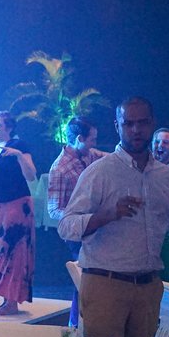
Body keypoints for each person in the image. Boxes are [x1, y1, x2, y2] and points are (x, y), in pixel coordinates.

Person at [59, 97, 169, 337]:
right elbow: (66, 226)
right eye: (128, 124)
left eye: (142, 123)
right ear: (117, 126)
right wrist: (108, 214)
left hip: (148, 288)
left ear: (152, 124)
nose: (136, 130)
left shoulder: (167, 176)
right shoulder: (99, 172)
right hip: (105, 284)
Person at [47, 117, 105, 326]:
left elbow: (113, 157)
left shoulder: (90, 155)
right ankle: (75, 327)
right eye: (92, 139)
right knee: (82, 281)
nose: (94, 144)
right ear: (79, 138)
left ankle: (85, 325)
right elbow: (53, 209)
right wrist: (80, 218)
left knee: (91, 281)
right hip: (76, 234)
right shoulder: (60, 168)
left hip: (95, 230)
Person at [0, 111, 37, 316]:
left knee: (13, 251)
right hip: (1, 205)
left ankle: (12, 300)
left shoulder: (19, 147)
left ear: (9, 128)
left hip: (16, 205)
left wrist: (20, 156)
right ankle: (6, 297)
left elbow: (31, 175)